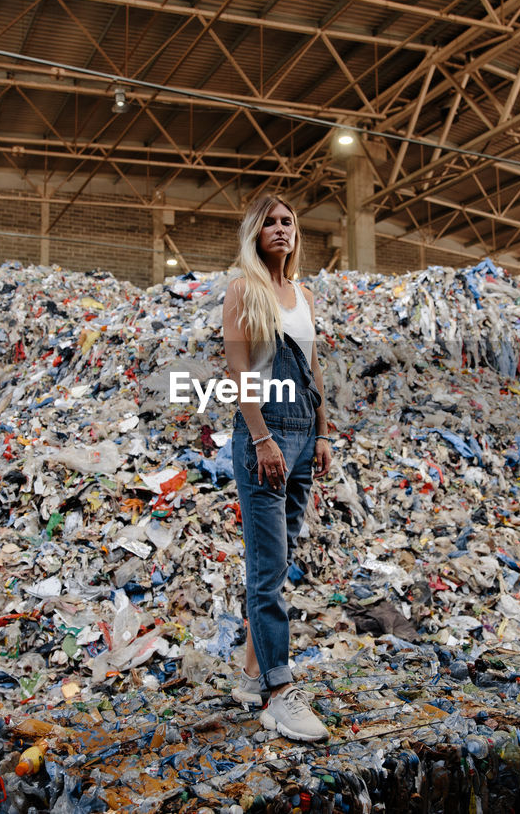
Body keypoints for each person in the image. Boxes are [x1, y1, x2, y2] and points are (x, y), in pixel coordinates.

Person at [222, 194, 332, 742]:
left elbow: (312, 367)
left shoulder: (304, 295)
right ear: (255, 233)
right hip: (262, 431)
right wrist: (263, 437)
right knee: (267, 573)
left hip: (303, 433)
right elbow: (238, 367)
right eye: (270, 221)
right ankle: (278, 694)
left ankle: (248, 674)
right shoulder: (245, 288)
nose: (281, 228)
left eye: (288, 221)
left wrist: (322, 433)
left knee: (280, 560)